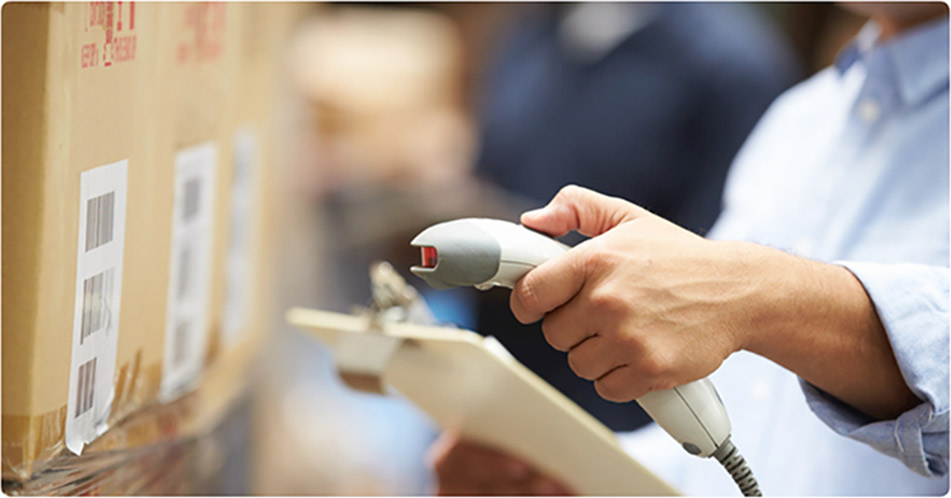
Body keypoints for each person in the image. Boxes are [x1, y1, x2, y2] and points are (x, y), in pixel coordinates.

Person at [430, 3, 949, 495]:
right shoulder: (798, 123)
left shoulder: (730, 66)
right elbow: (736, 439)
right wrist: (565, 473)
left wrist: (757, 294)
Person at [471, 1, 800, 433]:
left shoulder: (730, 68)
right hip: (501, 390)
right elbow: (490, 167)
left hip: (636, 420)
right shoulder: (531, 36)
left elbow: (719, 275)